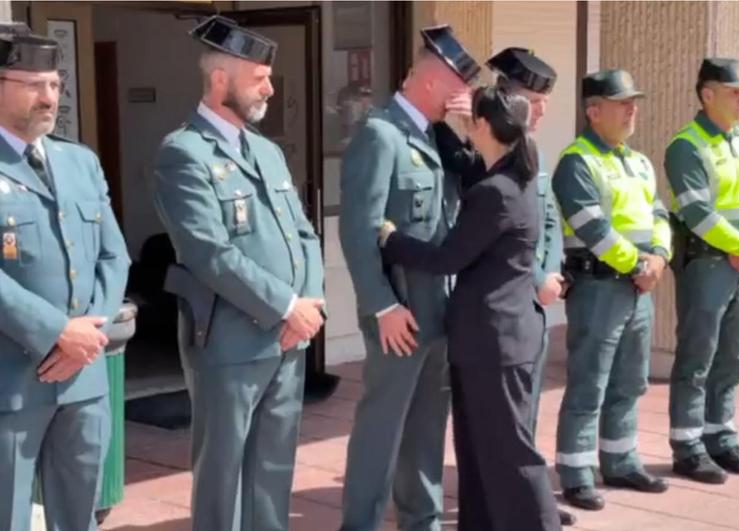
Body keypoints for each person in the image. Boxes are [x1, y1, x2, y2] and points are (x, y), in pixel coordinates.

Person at [151, 16, 325, 531]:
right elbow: (210, 253)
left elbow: (305, 235)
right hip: (229, 341)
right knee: (223, 473)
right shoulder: (183, 153)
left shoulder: (267, 152)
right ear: (221, 79)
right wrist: (286, 306)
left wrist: (310, 304)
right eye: (259, 77)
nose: (270, 87)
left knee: (272, 471)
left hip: (289, 340)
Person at [379, 88, 560, 531]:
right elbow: (467, 166)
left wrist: (390, 239)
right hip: (496, 338)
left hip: (493, 341)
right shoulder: (515, 178)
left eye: (471, 121)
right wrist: (441, 125)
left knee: (509, 453)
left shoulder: (496, 192)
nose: (467, 128)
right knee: (478, 450)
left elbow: (447, 259)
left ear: (482, 126)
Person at [338, 25, 479, 531]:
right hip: (399, 314)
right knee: (381, 431)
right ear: (431, 81)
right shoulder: (381, 135)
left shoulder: (433, 137)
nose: (463, 97)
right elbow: (358, 231)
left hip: (436, 312)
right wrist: (382, 306)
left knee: (426, 431)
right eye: (457, 87)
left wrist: (467, 130)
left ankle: (423, 522)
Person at [435, 47, 574, 527]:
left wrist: (551, 271)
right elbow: (489, 223)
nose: (540, 111)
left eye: (544, 102)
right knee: (503, 433)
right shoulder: (488, 153)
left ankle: (524, 509)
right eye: (533, 100)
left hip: (524, 315)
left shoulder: (531, 152)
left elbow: (548, 219)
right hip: (506, 312)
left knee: (516, 429)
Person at [0, 26, 130, 531]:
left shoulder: (79, 161)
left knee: (80, 518)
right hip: (11, 380)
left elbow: (113, 255)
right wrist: (57, 331)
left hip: (83, 377)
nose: (49, 97)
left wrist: (88, 334)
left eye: (55, 85)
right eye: (33, 84)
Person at [552, 70, 671, 511]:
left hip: (638, 287)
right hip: (600, 287)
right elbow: (593, 229)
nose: (632, 109)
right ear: (593, 110)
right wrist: (641, 264)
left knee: (630, 381)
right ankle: (577, 474)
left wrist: (659, 255)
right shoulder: (577, 162)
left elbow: (660, 215)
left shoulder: (638, 161)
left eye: (633, 102)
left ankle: (621, 461)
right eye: (622, 103)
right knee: (590, 382)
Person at [665, 57, 739, 484]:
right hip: (707, 264)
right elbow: (698, 211)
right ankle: (688, 446)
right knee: (697, 356)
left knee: (733, 356)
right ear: (707, 95)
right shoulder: (686, 146)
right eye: (735, 92)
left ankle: (721, 436)